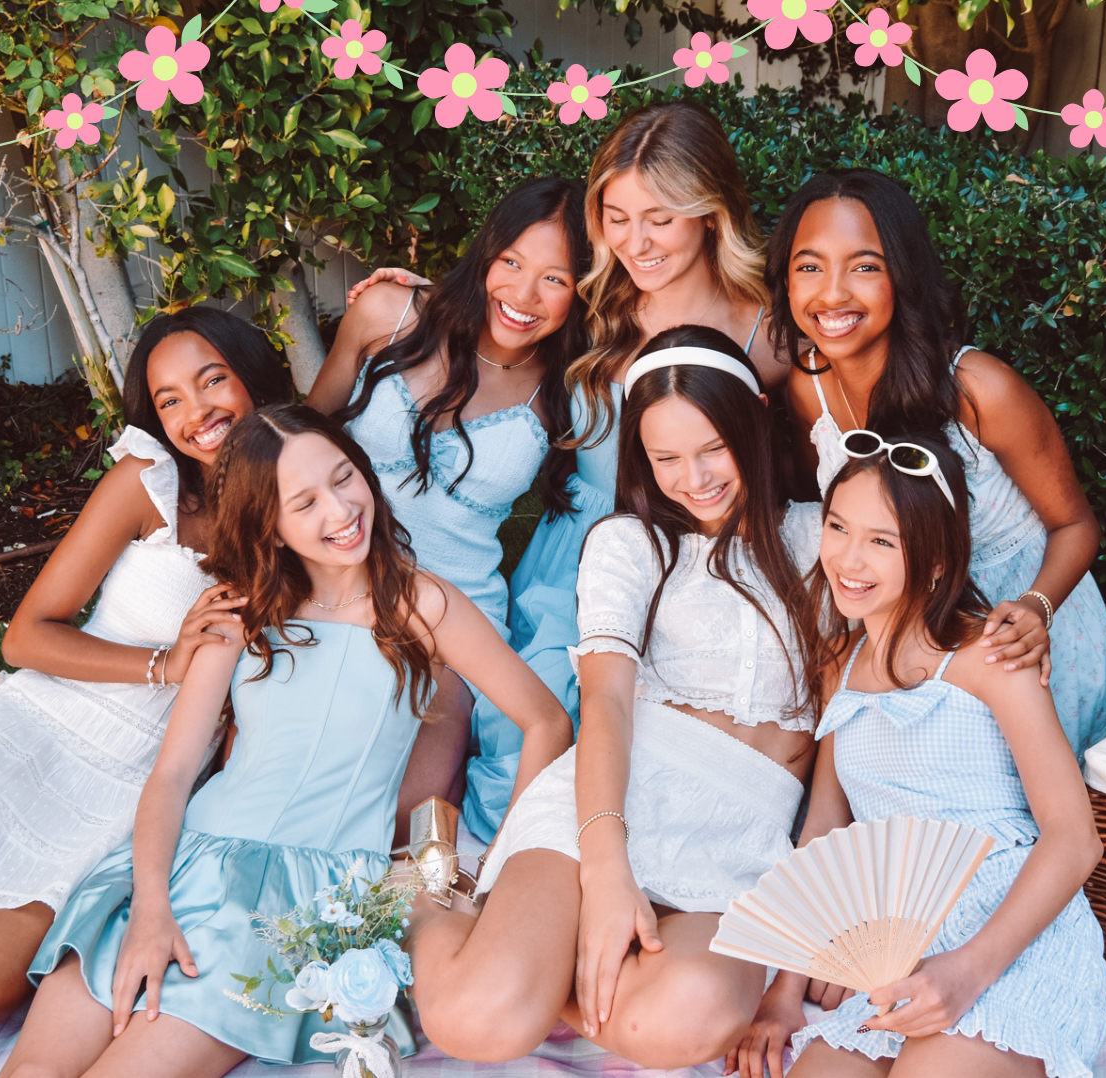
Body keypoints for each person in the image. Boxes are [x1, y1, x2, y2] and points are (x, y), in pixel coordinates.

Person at [1, 404, 571, 1076]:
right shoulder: (237, 611)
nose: (340, 512)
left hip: (304, 901)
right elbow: (175, 774)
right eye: (304, 503)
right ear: (268, 525)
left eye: (344, 478)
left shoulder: (423, 604)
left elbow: (547, 722)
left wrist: (503, 867)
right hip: (178, 869)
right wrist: (151, 910)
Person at [343, 103, 785, 842]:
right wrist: (424, 296)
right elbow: (504, 311)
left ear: (709, 212)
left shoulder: (764, 332)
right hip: (577, 557)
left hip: (698, 561)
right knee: (524, 724)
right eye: (615, 217)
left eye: (661, 218)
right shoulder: (596, 305)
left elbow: (794, 470)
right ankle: (487, 880)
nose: (635, 242)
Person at [408, 328, 827, 1069]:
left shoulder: (824, 538)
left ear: (757, 419)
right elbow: (604, 706)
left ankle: (548, 974)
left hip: (742, 830)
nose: (692, 478)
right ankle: (423, 889)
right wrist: (605, 870)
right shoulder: (628, 543)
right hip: (610, 797)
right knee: (477, 1022)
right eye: (665, 458)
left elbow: (846, 740)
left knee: (684, 1020)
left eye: (712, 448)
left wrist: (793, 964)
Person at [0, 309, 318, 1036]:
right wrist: (166, 664)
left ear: (253, 379)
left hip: (136, 786)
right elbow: (26, 638)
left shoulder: (311, 502)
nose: (196, 414)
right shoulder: (148, 483)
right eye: (170, 400)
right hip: (39, 728)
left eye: (212, 382)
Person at [733, 436, 1106, 1078]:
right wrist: (784, 992)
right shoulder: (840, 666)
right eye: (838, 526)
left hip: (1011, 935)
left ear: (935, 561)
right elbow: (825, 830)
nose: (849, 557)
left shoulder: (990, 658)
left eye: (883, 540)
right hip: (901, 940)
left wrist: (967, 971)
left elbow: (1076, 841)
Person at [770, 168, 1106, 752]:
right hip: (900, 640)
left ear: (902, 277)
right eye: (809, 266)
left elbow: (1076, 525)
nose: (831, 293)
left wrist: (1036, 609)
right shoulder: (812, 388)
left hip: (1015, 638)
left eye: (864, 266)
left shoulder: (979, 389)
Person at [310, 176, 591, 834]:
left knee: (417, 820)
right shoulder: (390, 313)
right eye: (512, 263)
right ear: (486, 252)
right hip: (334, 579)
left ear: (584, 292)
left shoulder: (570, 389)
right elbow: (304, 439)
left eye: (555, 279)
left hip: (452, 617)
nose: (523, 297)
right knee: (306, 766)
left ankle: (421, 917)